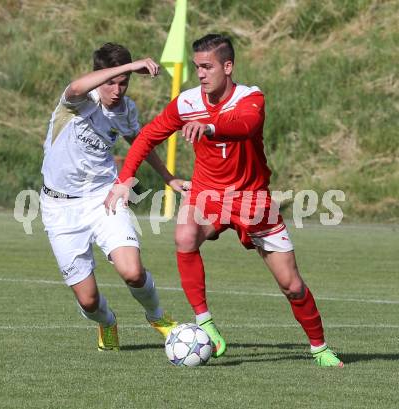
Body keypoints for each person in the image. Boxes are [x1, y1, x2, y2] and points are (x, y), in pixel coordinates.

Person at [105, 34, 343, 367]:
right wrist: (123, 180)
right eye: (196, 67)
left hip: (252, 199)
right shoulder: (187, 103)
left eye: (207, 67)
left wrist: (211, 127)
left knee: (292, 285)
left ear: (227, 67)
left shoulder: (250, 97)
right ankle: (205, 322)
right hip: (208, 195)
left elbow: (247, 125)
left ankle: (320, 347)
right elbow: (147, 136)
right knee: (184, 235)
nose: (200, 74)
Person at [40, 43, 185, 351]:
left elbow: (141, 143)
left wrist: (169, 178)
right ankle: (107, 322)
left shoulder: (125, 110)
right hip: (59, 207)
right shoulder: (77, 101)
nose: (117, 90)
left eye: (124, 84)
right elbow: (79, 84)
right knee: (89, 301)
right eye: (112, 81)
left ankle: (158, 317)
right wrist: (129, 68)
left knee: (132, 272)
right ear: (100, 76)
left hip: (102, 197)